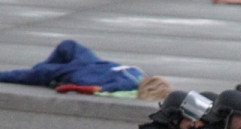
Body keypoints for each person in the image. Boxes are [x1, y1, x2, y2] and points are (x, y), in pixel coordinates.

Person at [0, 40, 170, 100]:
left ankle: (41, 73)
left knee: (27, 75)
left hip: (78, 73)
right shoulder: (142, 76)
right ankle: (41, 72)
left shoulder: (127, 84)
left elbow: (96, 90)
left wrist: (70, 88)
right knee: (68, 46)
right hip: (92, 63)